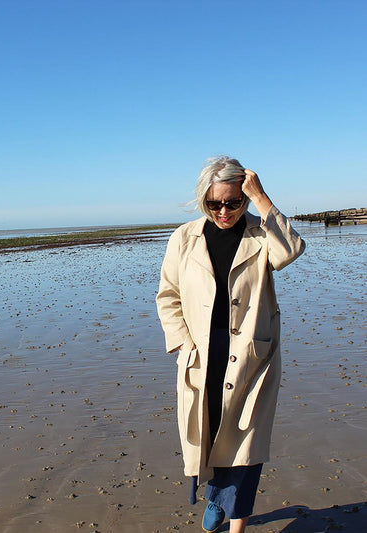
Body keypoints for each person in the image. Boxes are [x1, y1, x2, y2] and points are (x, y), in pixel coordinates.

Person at [156, 156, 305, 533]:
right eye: (214, 203)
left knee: (246, 443)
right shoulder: (184, 238)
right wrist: (183, 344)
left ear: (245, 198)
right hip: (202, 353)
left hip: (252, 354)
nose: (224, 211)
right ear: (202, 199)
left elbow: (290, 251)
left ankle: (236, 522)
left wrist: (262, 198)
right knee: (208, 431)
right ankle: (216, 497)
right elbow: (168, 296)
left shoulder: (261, 233)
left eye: (234, 202)